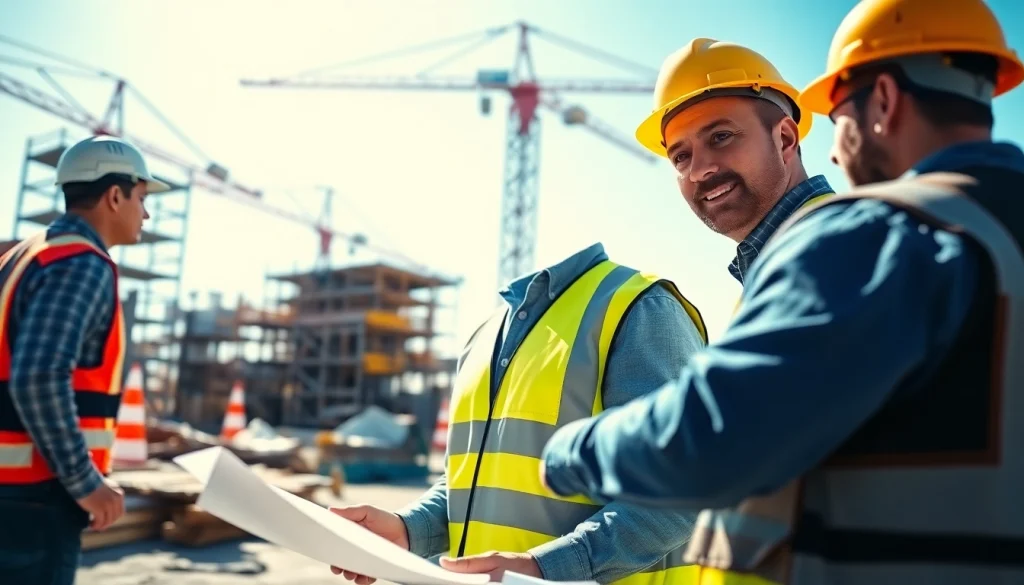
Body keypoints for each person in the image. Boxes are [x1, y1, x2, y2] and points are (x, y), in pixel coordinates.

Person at [539, 0, 1024, 584]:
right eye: (681, 156)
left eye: (838, 116)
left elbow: (717, 435)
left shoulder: (876, 238)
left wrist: (571, 452)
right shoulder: (993, 232)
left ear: (885, 102)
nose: (839, 151)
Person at [329, 243, 709, 584]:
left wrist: (546, 570)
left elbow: (679, 491)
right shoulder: (484, 334)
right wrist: (407, 529)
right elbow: (471, 483)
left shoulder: (640, 308)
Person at [0, 135, 164, 584]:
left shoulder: (24, 256)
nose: (146, 214)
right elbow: (38, 376)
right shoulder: (81, 263)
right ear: (115, 196)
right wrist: (86, 482)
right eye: (142, 198)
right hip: (32, 503)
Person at [635, 38, 834, 287]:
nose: (698, 171)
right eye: (681, 157)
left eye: (720, 137)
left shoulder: (835, 249)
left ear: (784, 139)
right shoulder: (781, 266)